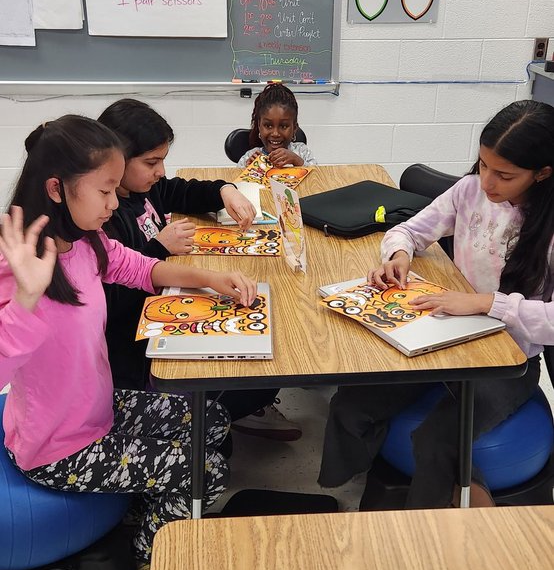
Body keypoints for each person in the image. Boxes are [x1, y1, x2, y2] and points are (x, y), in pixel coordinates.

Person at [0, 116, 256, 570]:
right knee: (205, 471)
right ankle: (147, 567)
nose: (114, 204)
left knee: (212, 419)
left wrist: (209, 277)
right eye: (105, 191)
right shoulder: (18, 266)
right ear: (57, 189)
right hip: (57, 448)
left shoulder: (84, 240)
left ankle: (143, 505)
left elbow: (137, 267)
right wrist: (27, 300)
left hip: (97, 411)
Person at [319, 100, 554, 509]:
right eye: (482, 165)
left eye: (504, 175)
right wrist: (399, 255)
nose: (487, 182)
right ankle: (342, 491)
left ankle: (429, 529)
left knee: (436, 439)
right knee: (352, 402)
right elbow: (409, 229)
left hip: (508, 359)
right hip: (446, 335)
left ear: (543, 173)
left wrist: (486, 303)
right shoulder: (469, 191)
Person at [98, 98, 301, 440]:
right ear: (115, 160)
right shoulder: (106, 215)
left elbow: (183, 190)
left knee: (269, 349)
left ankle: (218, 416)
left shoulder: (144, 189)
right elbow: (113, 300)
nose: (160, 171)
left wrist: (225, 190)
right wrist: (158, 248)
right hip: (141, 356)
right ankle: (209, 418)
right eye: (152, 162)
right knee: (263, 376)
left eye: (162, 160)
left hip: (165, 315)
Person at [237, 82, 317, 169]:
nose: (275, 133)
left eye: (283, 126)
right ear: (259, 126)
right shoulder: (250, 156)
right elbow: (235, 177)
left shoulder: (302, 152)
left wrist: (297, 161)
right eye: (268, 126)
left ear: (294, 128)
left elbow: (318, 175)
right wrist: (248, 170)